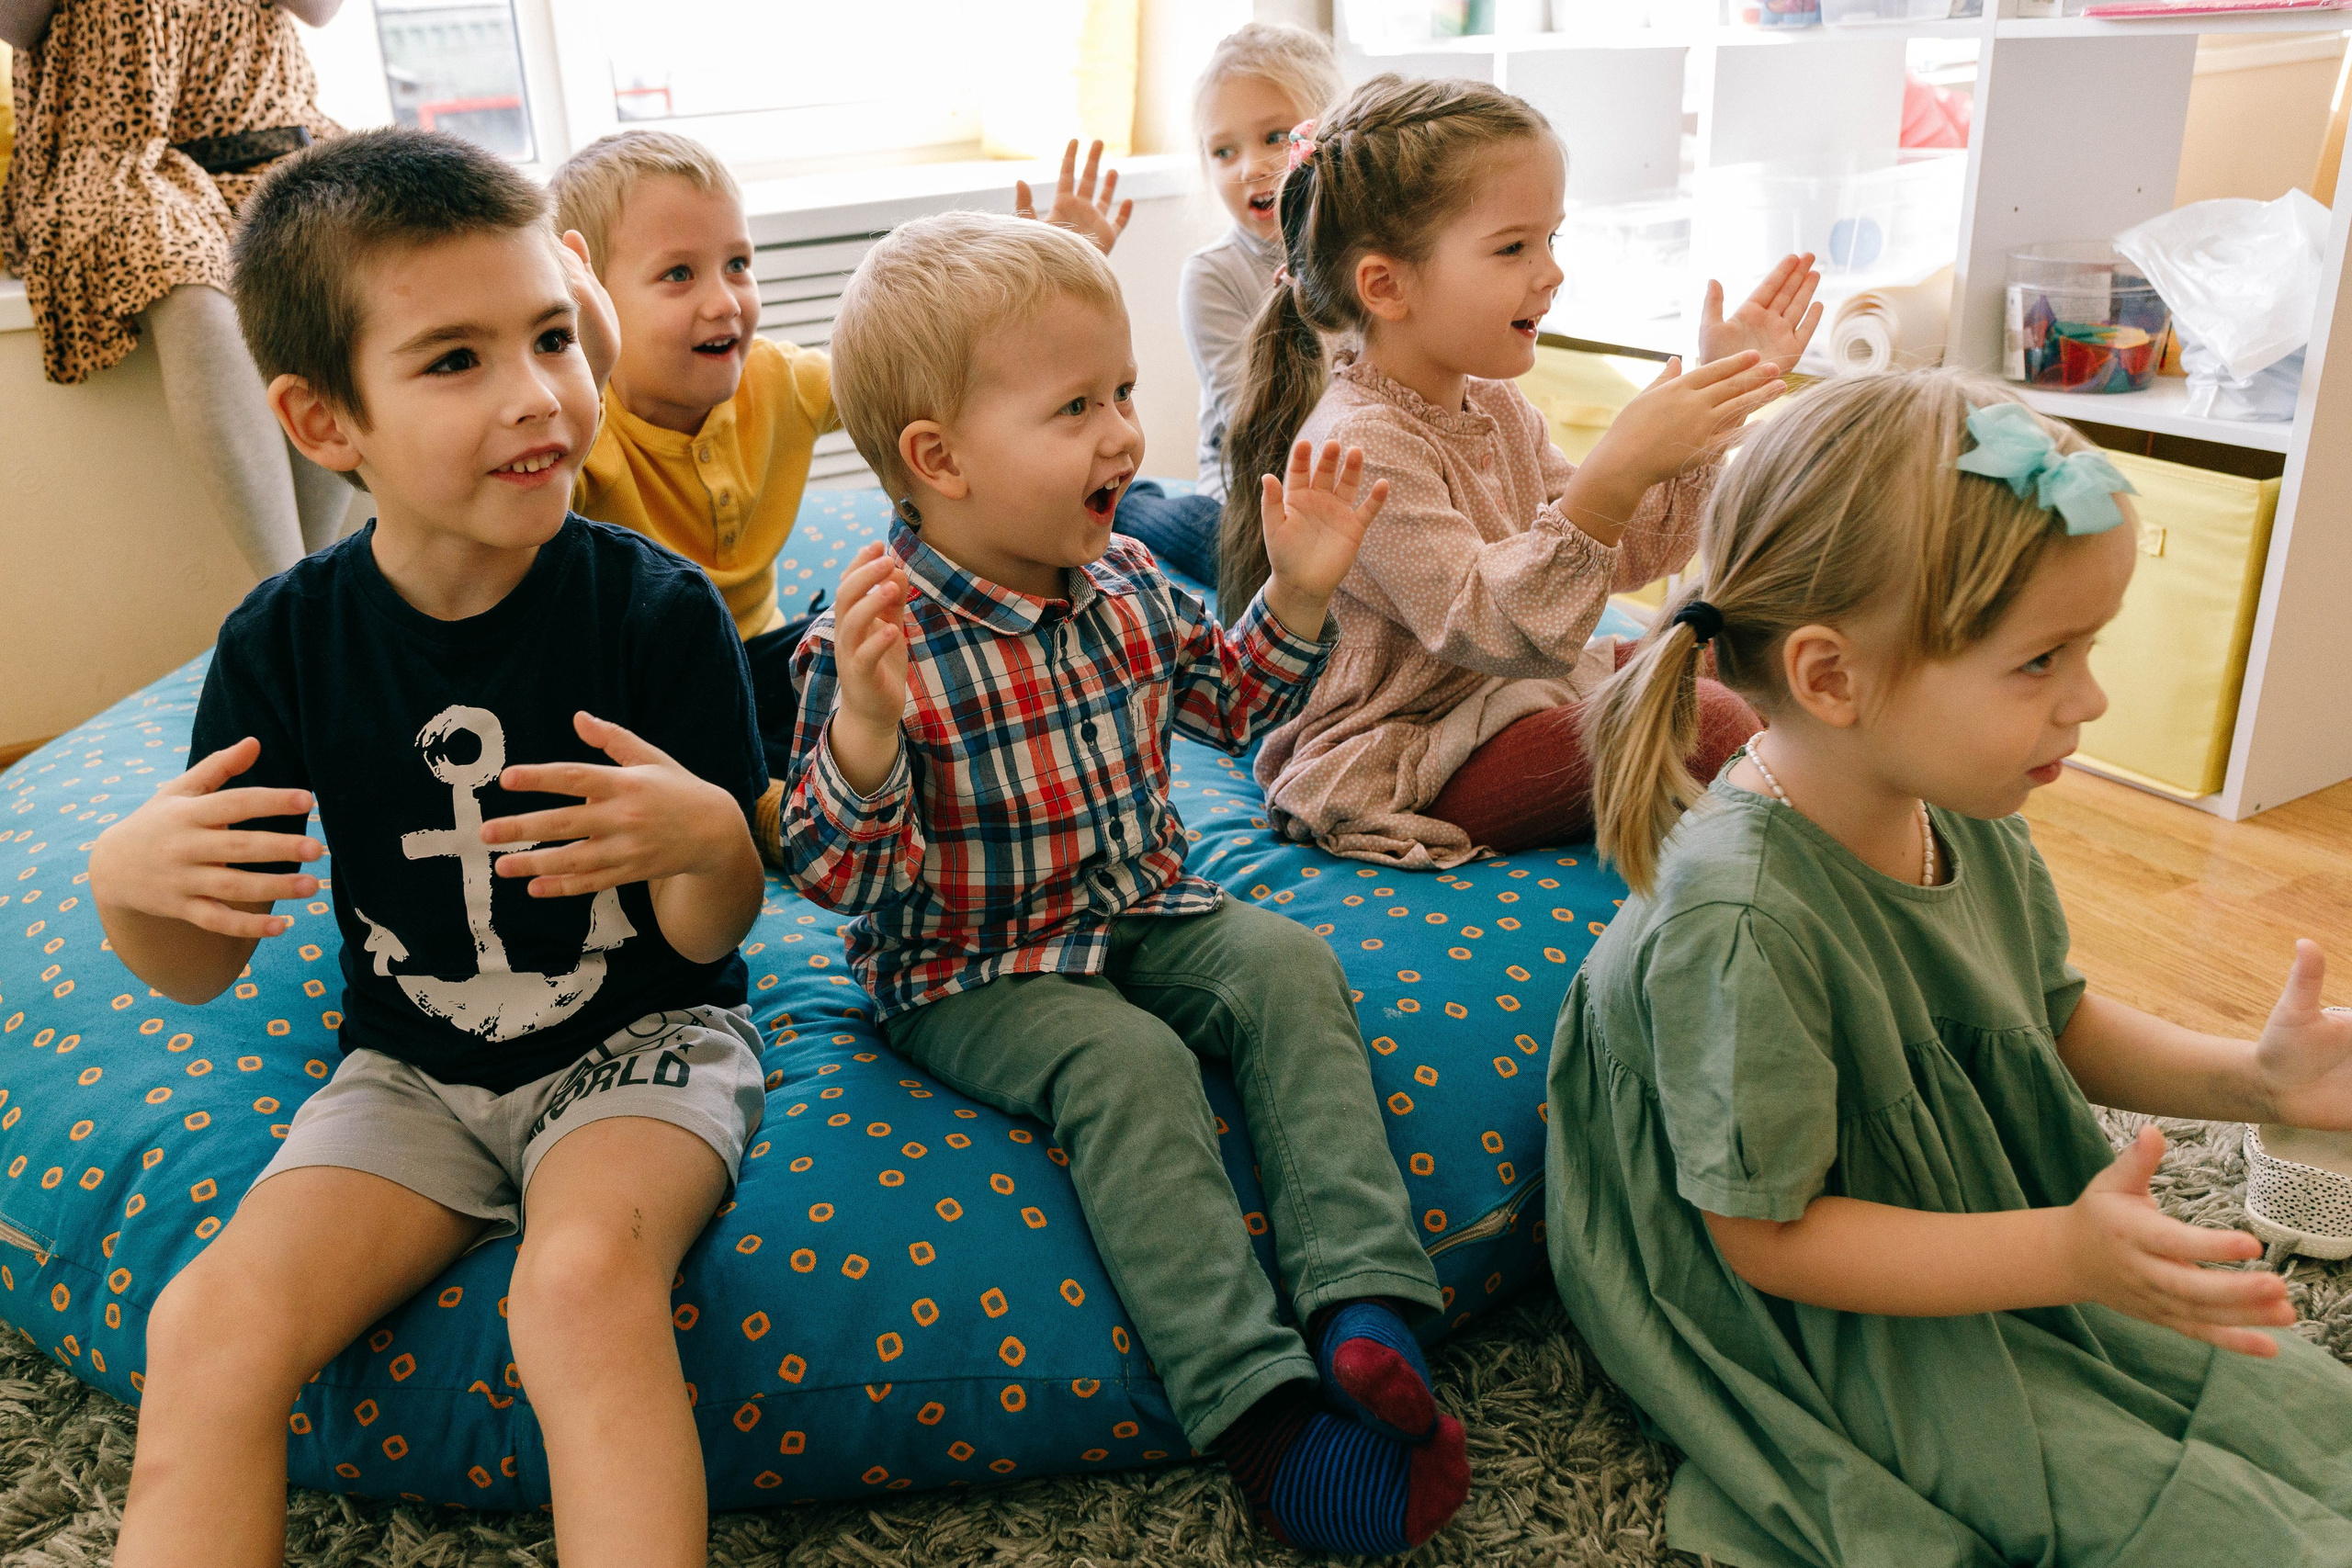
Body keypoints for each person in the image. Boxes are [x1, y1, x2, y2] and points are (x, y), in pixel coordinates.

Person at [86, 128, 769, 1568]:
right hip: (409, 1073)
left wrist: (708, 834)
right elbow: (204, 960)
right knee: (206, 1322)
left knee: (577, 1284)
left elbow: (712, 936)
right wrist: (129, 887)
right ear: (328, 424)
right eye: (454, 360)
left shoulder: (657, 612)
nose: (536, 397)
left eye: (547, 338)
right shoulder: (287, 641)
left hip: (638, 1044)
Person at [1551, 368, 2352, 1567]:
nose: (2089, 698)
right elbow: (1766, 1240)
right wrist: (2061, 1253)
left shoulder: (1952, 792)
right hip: (1793, 1265)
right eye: (2041, 661)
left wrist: (2261, 1084)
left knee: (2288, 1407)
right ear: (1833, 677)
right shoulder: (1743, 918)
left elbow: (2043, 1015)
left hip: (1927, 1196)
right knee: (2152, 1503)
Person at [770, 209, 1470, 1556]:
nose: (1124, 436)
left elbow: (1227, 702)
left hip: (1142, 897)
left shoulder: (1129, 572)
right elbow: (833, 876)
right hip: (971, 967)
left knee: (1286, 963)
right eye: (1077, 407)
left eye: (1127, 391)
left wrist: (1305, 596)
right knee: (1128, 1067)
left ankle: (1364, 1300)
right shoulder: (872, 645)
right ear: (939, 459)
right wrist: (861, 731)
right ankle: (1260, 1414)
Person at [1228, 73, 1817, 869]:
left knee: (1756, 637)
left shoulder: (1496, 404)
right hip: (1423, 746)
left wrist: (1706, 409)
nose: (1551, 272)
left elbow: (1618, 560)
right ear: (1386, 285)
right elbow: (1493, 625)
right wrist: (1611, 475)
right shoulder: (1363, 445)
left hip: (1524, 692)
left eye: (1552, 240)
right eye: (1513, 247)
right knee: (1707, 724)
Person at [555, 130, 1133, 779]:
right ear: (591, 302)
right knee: (637, 739)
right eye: (679, 274)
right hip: (648, 676)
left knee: (859, 664)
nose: (724, 301)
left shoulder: (776, 380)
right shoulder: (578, 433)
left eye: (738, 264)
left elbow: (913, 381)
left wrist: (1036, 318)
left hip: (763, 655)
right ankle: (763, 811)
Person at [2, 0, 352, 578]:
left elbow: (320, 9)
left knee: (329, 261)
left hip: (269, 135)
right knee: (188, 281)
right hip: (115, 155)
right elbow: (17, 27)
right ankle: (286, 595)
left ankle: (305, 596)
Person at [1111, 20, 1347, 590]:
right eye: (1223, 150)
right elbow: (1255, 425)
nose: (1249, 167)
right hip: (1249, 486)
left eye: (1275, 137)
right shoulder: (1212, 277)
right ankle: (1136, 507)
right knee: (1243, 552)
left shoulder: (1368, 257)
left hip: (1351, 472)